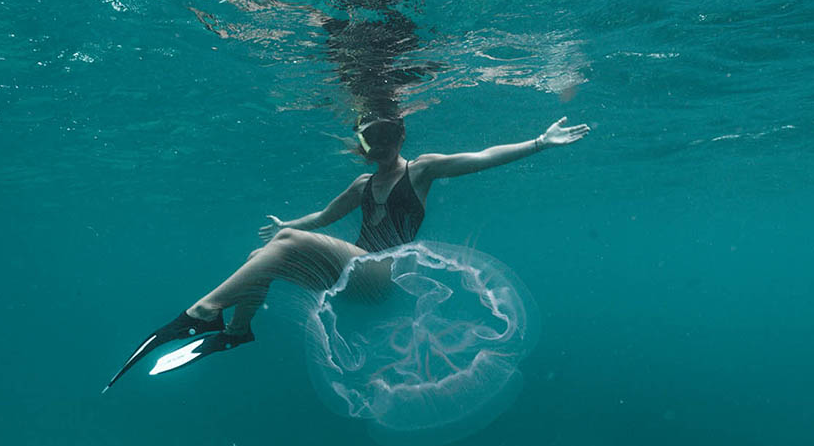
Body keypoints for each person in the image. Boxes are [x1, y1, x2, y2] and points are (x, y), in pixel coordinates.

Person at [103, 114, 589, 391]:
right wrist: (285, 225)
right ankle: (236, 330)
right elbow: (318, 220)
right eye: (367, 138)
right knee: (264, 257)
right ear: (360, 143)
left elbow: (482, 159)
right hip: (348, 276)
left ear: (401, 136)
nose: (376, 145)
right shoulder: (362, 183)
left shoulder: (422, 170)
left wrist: (539, 144)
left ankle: (204, 311)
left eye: (385, 136)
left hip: (383, 280)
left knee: (286, 248)